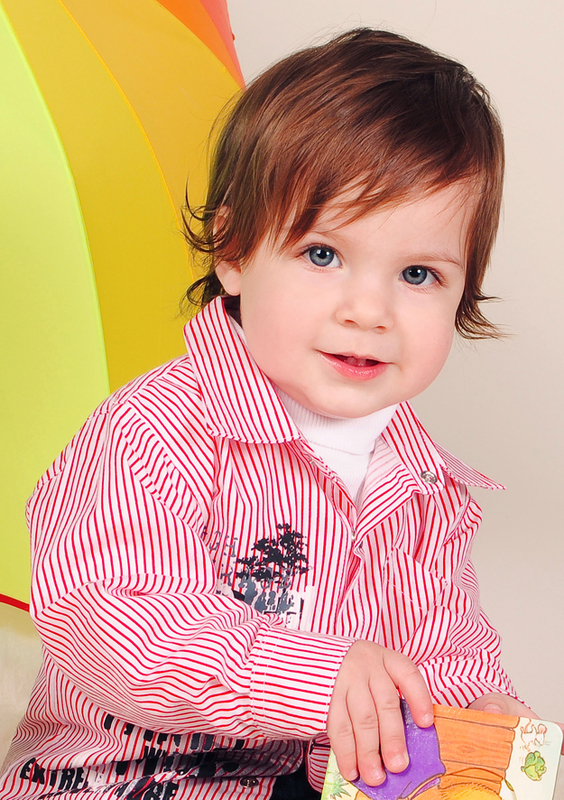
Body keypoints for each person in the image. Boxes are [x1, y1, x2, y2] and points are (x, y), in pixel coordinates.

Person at [0, 28, 537, 800]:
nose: (369, 311)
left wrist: (477, 712)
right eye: (323, 255)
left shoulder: (426, 492)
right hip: (121, 782)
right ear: (234, 252)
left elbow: (441, 653)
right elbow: (120, 626)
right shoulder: (153, 432)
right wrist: (323, 678)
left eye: (418, 274)